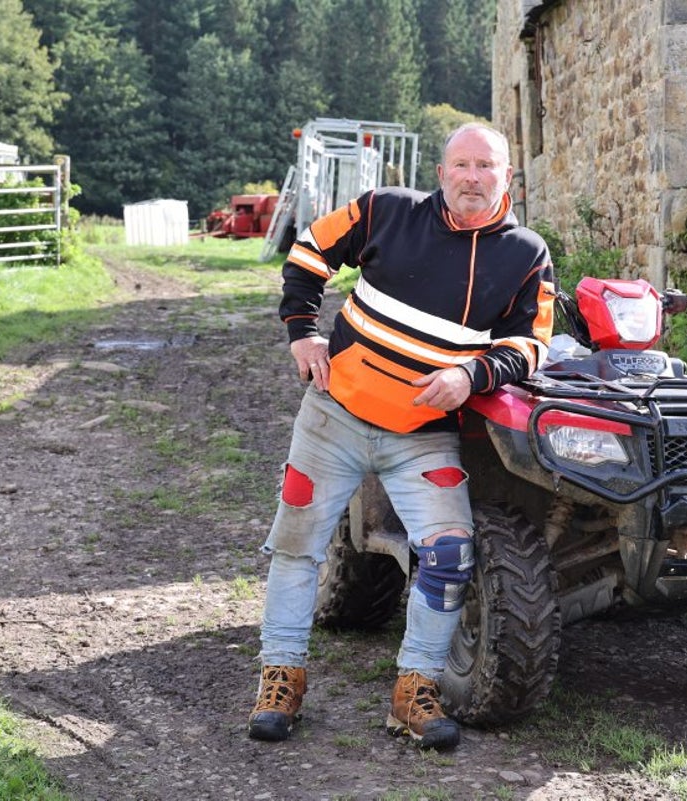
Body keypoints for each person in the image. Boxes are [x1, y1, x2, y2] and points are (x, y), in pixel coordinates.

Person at [248, 123, 555, 751]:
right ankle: (281, 678)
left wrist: (474, 373)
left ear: (507, 177)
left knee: (448, 555)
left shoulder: (526, 253)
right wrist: (302, 332)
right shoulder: (387, 210)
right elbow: (310, 251)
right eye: (461, 165)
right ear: (441, 172)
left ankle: (414, 690)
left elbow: (532, 343)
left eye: (486, 167)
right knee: (297, 543)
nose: (473, 177)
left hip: (423, 433)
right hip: (333, 415)